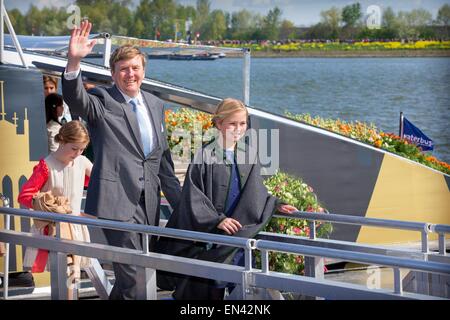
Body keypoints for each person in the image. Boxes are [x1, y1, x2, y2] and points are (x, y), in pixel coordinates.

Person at [62, 20, 181, 300]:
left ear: (144, 70)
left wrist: (184, 207)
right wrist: (73, 62)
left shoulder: (155, 104)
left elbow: (161, 164)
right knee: (135, 276)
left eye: (135, 68)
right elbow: (77, 101)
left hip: (148, 205)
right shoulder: (102, 100)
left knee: (134, 278)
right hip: (116, 203)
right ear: (113, 74)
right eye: (123, 69)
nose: (130, 74)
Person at [156, 98, 297, 300]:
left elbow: (256, 191)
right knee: (209, 291)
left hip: (238, 235)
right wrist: (217, 220)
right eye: (232, 123)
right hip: (211, 239)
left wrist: (276, 204)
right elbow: (193, 197)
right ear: (219, 123)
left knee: (242, 290)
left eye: (242, 123)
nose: (238, 129)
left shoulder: (248, 153)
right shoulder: (204, 155)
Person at [18, 121, 93, 298]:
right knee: (64, 278)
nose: (78, 153)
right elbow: (25, 196)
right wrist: (48, 205)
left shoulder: (83, 161)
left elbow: (101, 184)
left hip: (75, 228)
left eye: (82, 149)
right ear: (62, 141)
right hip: (52, 229)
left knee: (72, 279)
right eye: (75, 148)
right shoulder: (46, 165)